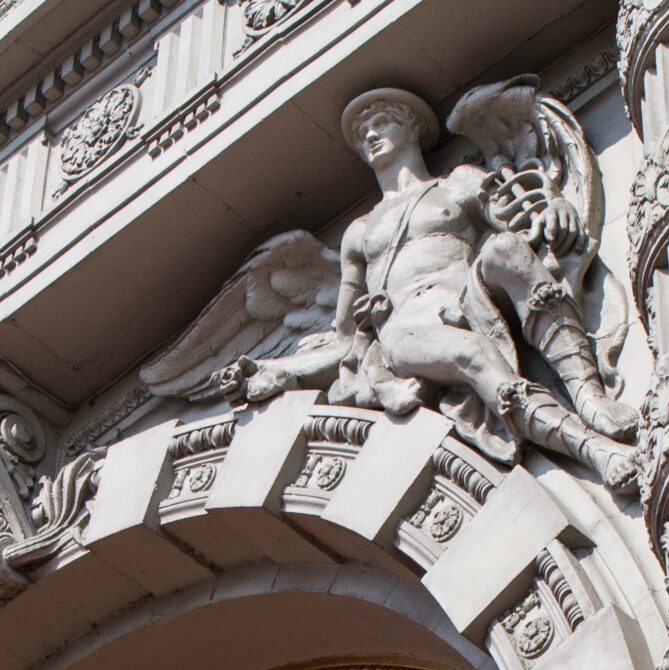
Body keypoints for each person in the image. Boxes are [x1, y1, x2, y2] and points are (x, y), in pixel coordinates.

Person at [227, 88, 640, 493]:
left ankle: (588, 395)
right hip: (406, 330)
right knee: (472, 354)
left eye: (381, 122)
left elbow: (520, 221)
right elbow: (346, 342)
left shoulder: (458, 184)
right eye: (363, 131)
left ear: (411, 130)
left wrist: (553, 207)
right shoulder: (359, 233)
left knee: (505, 248)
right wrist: (276, 369)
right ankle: (593, 450)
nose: (370, 135)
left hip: (468, 298)